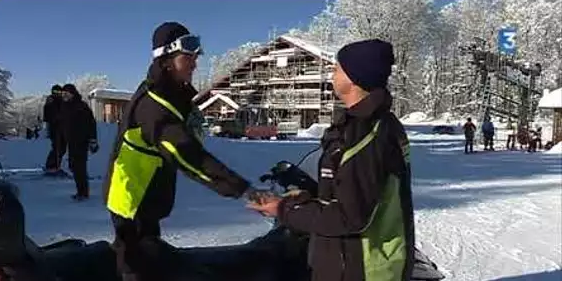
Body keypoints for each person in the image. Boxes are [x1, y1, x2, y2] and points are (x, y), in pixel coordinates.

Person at [102, 22, 266, 281]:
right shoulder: (153, 105)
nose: (194, 64)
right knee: (135, 262)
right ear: (166, 59)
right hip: (132, 198)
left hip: (147, 193)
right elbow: (188, 156)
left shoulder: (172, 94)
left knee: (149, 254)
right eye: (187, 57)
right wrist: (242, 189)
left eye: (195, 57)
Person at [248, 39, 415, 281]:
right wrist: (310, 197)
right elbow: (356, 192)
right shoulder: (371, 124)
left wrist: (284, 209)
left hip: (362, 269)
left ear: (354, 77)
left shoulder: (365, 134)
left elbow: (350, 217)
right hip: (350, 262)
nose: (331, 73)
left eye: (337, 68)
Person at [59, 83, 98, 200]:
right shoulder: (65, 106)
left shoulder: (81, 106)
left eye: (66, 93)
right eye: (63, 94)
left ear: (72, 94)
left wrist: (92, 139)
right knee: (73, 166)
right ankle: (80, 190)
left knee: (79, 167)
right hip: (71, 141)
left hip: (81, 140)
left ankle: (83, 192)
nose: (64, 96)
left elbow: (91, 123)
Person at [43, 84, 66, 173]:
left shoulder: (63, 101)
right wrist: (56, 118)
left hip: (62, 127)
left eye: (59, 92)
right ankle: (51, 165)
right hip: (54, 127)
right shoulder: (51, 100)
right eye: (56, 92)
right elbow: (47, 114)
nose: (58, 94)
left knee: (62, 147)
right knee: (57, 146)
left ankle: (56, 165)